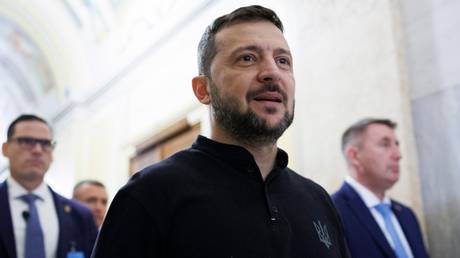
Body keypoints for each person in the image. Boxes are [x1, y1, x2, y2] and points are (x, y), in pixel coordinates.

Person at [91, 5, 350, 258]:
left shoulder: (318, 200)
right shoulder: (149, 195)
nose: (272, 72)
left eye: (283, 61)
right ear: (204, 89)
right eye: (247, 58)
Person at [0, 114, 98, 258]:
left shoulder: (80, 216)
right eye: (27, 141)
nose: (38, 150)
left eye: (46, 144)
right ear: (6, 148)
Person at [332, 118, 430, 258]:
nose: (398, 155)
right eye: (385, 144)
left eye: (397, 145)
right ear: (354, 156)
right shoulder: (331, 212)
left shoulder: (407, 215)